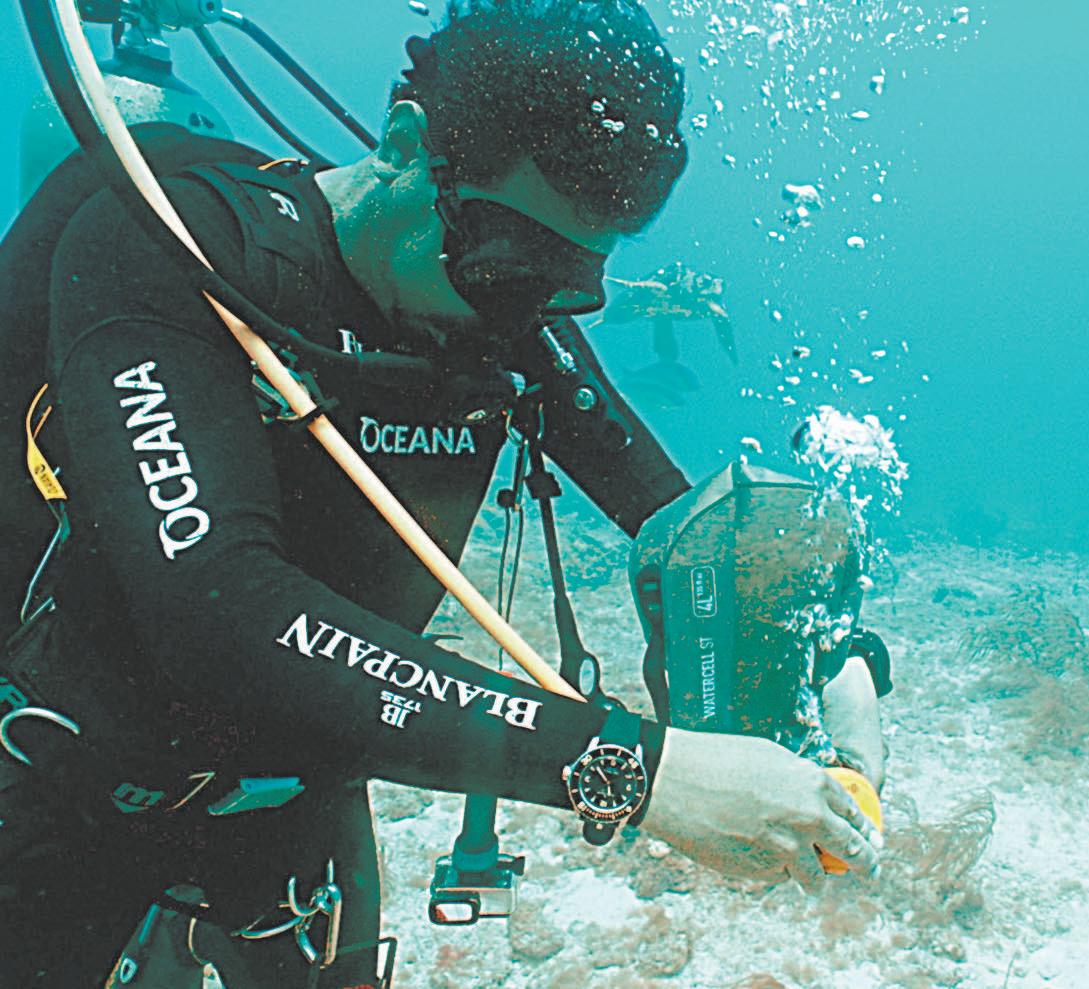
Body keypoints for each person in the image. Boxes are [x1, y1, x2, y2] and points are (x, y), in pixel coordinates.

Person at [0, 0, 883, 985]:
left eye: (568, 282)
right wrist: (634, 773)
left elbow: (682, 526)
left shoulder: (502, 316)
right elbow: (220, 617)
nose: (526, 316)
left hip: (294, 797)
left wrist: (834, 653)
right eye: (510, 269)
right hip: (58, 792)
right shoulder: (171, 249)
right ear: (407, 146)